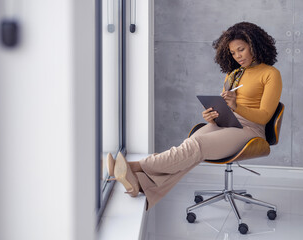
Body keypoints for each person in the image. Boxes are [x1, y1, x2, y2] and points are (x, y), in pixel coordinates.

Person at [107, 22, 282, 210]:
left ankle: (134, 166)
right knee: (189, 147)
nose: (237, 56)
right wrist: (213, 115)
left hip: (250, 130)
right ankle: (140, 185)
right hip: (227, 123)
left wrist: (236, 106)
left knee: (195, 146)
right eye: (232, 52)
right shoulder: (233, 75)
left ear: (254, 45)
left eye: (241, 49)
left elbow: (264, 117)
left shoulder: (271, 74)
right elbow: (227, 107)